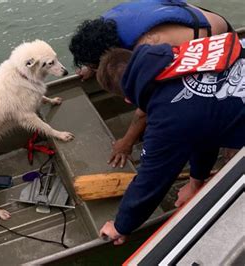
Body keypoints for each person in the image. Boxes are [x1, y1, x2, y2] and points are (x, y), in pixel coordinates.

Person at [69, 0, 234, 206]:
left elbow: (147, 107)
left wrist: (125, 144)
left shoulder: (151, 47)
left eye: (95, 64)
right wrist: (91, 68)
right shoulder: (105, 26)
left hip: (214, 39)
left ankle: (230, 147)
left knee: (196, 106)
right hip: (188, 17)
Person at [95, 40, 245, 245]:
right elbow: (205, 127)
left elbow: (151, 180)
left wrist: (121, 225)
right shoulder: (188, 52)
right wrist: (196, 182)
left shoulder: (167, 118)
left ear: (129, 100)